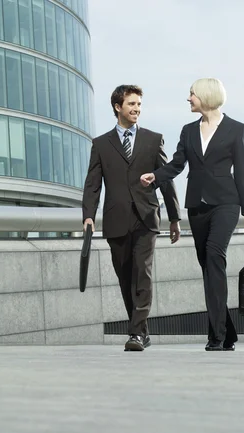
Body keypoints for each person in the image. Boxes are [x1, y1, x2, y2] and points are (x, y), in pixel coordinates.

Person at [140, 78, 244, 351]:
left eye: (191, 94)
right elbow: (178, 164)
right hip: (197, 206)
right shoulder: (188, 130)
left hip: (226, 204)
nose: (188, 99)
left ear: (205, 96)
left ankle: (216, 336)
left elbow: (242, 171)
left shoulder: (235, 129)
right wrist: (155, 176)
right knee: (208, 267)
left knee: (216, 255)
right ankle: (226, 332)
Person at [82, 85, 181, 352]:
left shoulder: (153, 139)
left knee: (143, 273)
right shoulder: (101, 144)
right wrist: (88, 216)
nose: (136, 109)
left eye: (139, 105)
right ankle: (141, 332)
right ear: (118, 107)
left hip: (146, 217)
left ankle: (135, 333)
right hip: (116, 219)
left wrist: (174, 217)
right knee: (125, 277)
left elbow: (165, 180)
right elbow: (93, 184)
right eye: (131, 104)